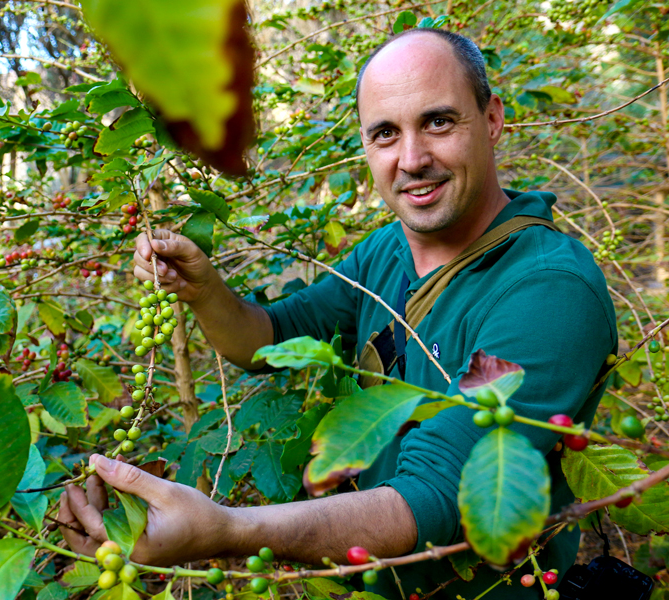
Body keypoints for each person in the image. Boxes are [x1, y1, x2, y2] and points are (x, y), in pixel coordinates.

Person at [59, 28, 617, 599]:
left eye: (438, 122)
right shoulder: (387, 250)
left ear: (492, 119)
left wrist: (227, 530)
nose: (412, 159)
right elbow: (271, 339)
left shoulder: (550, 289)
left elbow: (434, 496)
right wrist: (203, 291)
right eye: (385, 133)